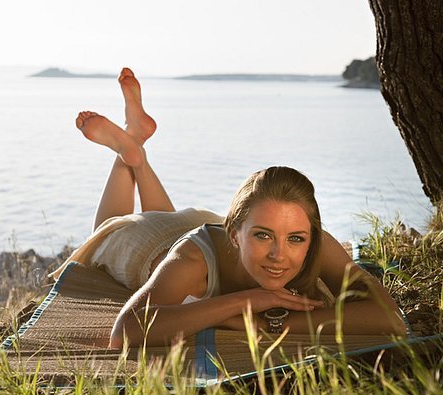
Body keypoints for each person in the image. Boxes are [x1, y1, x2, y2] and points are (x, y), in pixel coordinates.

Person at [51, 68, 407, 348]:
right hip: (147, 245)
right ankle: (130, 153)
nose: (279, 255)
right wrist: (247, 300)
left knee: (164, 216)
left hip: (191, 225)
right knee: (111, 226)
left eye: (295, 238)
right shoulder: (192, 260)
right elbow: (127, 331)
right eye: (264, 236)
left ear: (309, 233)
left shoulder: (314, 242)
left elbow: (390, 319)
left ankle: (135, 148)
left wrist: (265, 321)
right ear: (235, 233)